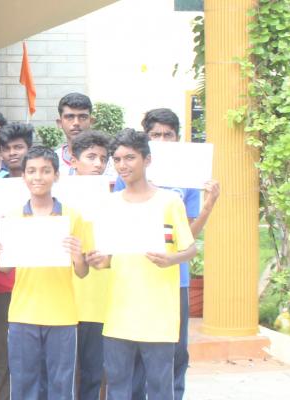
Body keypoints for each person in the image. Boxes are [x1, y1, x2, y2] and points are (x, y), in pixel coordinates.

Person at [121, 108, 220, 400]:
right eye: (155, 135)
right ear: (146, 139)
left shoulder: (187, 177)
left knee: (175, 351)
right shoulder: (128, 172)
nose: (162, 140)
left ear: (177, 138)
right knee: (135, 351)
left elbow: (188, 235)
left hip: (175, 278)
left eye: (168, 135)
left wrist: (208, 206)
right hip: (134, 276)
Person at [0, 146, 90, 400]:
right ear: (23, 177)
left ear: (56, 175)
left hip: (62, 315)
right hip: (23, 313)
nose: (38, 177)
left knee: (60, 386)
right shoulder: (12, 217)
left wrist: (78, 256)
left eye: (45, 171)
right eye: (31, 171)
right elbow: (6, 267)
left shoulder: (73, 217)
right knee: (23, 385)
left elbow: (83, 271)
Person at [98, 130, 197, 400]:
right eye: (117, 159)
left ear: (147, 160)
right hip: (119, 311)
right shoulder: (109, 204)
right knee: (118, 386)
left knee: (160, 386)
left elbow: (190, 248)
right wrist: (98, 260)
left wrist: (171, 259)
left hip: (159, 313)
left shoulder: (169, 202)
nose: (123, 165)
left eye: (130, 158)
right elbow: (107, 257)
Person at [66, 131, 112, 400]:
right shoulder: (57, 196)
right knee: (66, 371)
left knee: (95, 369)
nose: (98, 164)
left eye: (103, 159)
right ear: (73, 160)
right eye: (91, 157)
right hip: (64, 294)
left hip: (98, 294)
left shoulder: (114, 198)